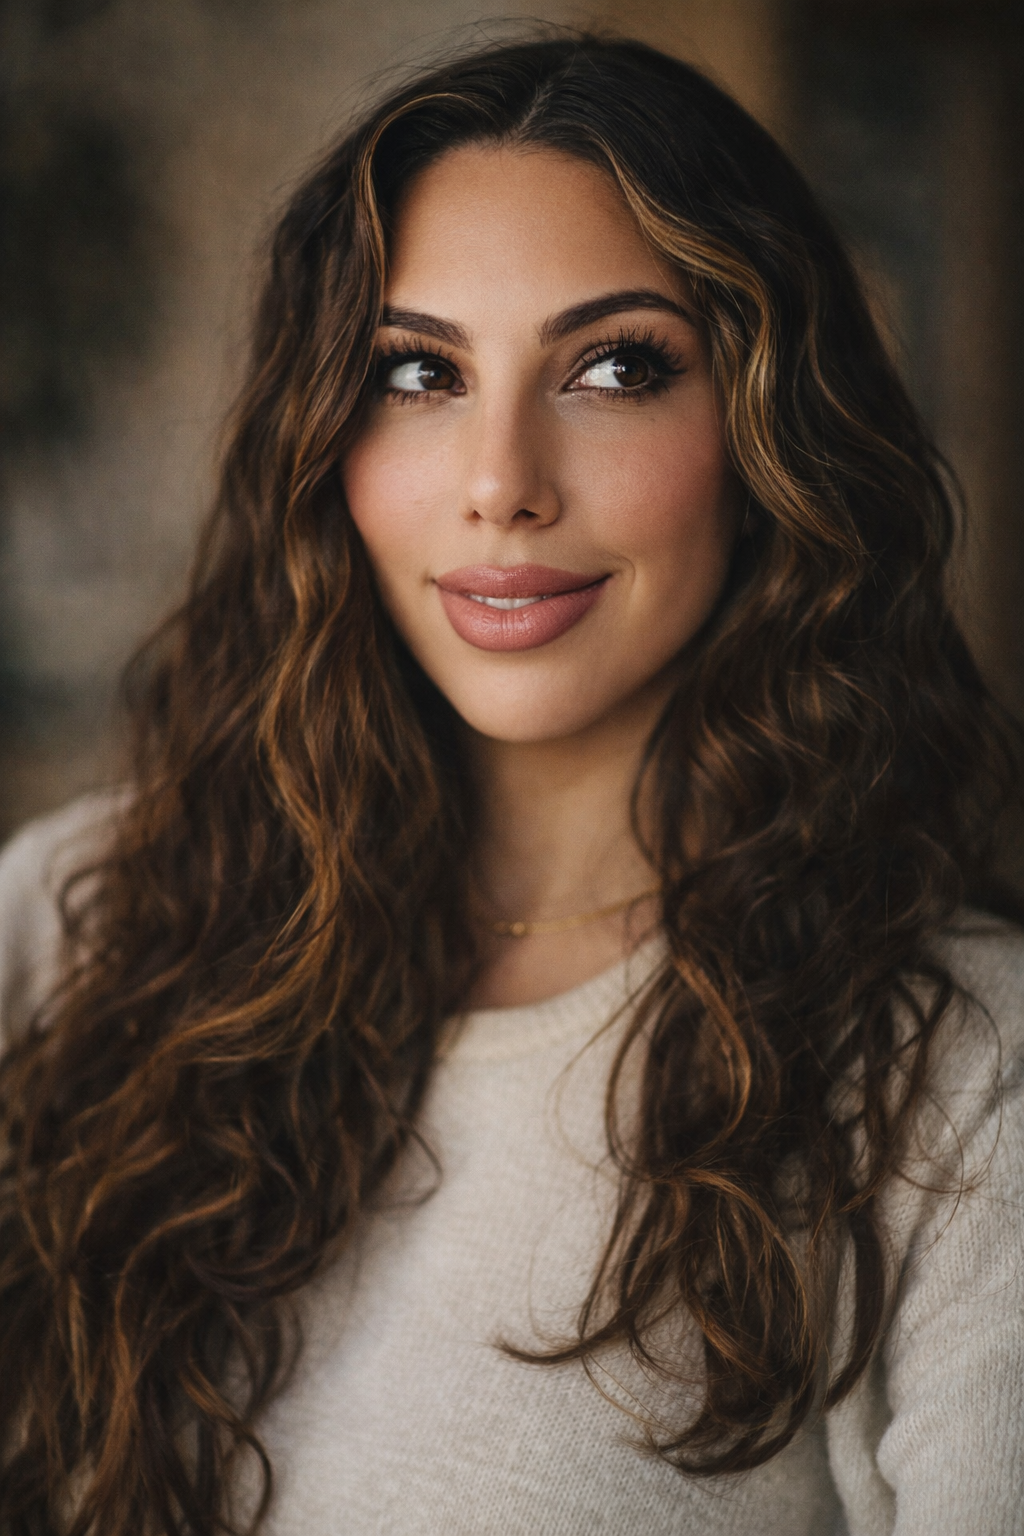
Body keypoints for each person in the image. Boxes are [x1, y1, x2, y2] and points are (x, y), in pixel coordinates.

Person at [0, 32, 1022, 1536]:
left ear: (762, 427)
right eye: (417, 372)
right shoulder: (70, 931)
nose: (501, 478)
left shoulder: (963, 1085)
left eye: (614, 368)